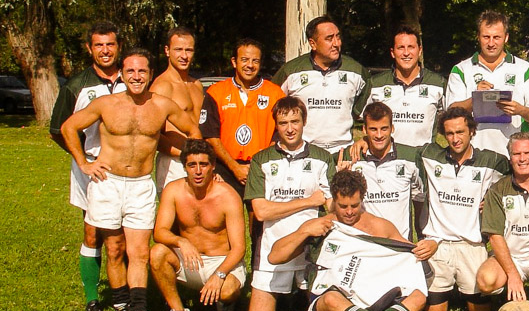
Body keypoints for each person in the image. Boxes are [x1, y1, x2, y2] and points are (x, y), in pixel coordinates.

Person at [60, 48, 200, 311]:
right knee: (113, 248)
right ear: (123, 74)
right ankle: (123, 308)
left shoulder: (163, 105)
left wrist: (194, 164)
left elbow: (193, 130)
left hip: (140, 184)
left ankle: (139, 310)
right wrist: (84, 163)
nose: (136, 77)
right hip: (107, 182)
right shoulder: (105, 104)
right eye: (131, 71)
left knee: (138, 251)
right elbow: (68, 127)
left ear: (150, 74)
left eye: (142, 71)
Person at [268, 170, 426, 311]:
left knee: (418, 296)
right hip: (332, 306)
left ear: (362, 200)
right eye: (343, 206)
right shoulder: (321, 226)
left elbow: (408, 253)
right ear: (334, 200)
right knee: (331, 299)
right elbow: (275, 256)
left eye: (354, 205)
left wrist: (429, 246)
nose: (349, 212)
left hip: (373, 299)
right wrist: (304, 232)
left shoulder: (379, 226)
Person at [49, 22, 126, 311]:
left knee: (125, 234)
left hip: (128, 170)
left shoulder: (133, 77)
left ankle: (128, 296)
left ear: (118, 46)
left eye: (110, 44)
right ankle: (93, 300)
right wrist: (82, 161)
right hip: (92, 168)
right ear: (89, 48)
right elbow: (58, 130)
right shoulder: (77, 84)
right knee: (93, 232)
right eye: (99, 45)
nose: (105, 51)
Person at [244, 96, 335, 311]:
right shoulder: (261, 160)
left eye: (295, 121)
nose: (290, 129)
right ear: (275, 124)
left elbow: (332, 205)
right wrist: (309, 201)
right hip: (272, 247)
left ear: (304, 121)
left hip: (311, 249)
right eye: (283, 123)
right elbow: (262, 211)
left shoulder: (322, 158)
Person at [415, 108, 511, 311]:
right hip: (437, 245)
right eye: (450, 134)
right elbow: (394, 148)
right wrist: (363, 142)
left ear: (472, 131)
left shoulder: (492, 161)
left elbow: (520, 177)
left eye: (460, 132)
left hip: (472, 245)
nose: (455, 139)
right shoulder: (429, 156)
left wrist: (495, 201)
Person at [147, 140, 247, 311]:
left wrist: (219, 274)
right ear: (185, 167)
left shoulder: (228, 196)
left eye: (204, 164)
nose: (198, 171)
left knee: (227, 290)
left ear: (213, 166)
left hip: (222, 261)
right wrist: (181, 241)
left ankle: (225, 305)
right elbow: (159, 232)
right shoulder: (173, 190)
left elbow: (239, 248)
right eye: (192, 165)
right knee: (158, 252)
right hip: (190, 260)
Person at [445, 10, 529, 156]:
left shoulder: (524, 69)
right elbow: (451, 114)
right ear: (478, 37)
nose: (491, 43)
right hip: (473, 156)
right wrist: (476, 99)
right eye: (486, 37)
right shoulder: (461, 70)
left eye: (496, 37)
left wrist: (519, 110)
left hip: (513, 155)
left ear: (506, 37)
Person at [273, 16, 370, 155]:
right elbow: (271, 106)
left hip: (343, 153)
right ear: (313, 43)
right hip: (303, 153)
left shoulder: (357, 71)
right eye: (329, 38)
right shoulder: (291, 71)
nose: (336, 43)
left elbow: (367, 110)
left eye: (338, 37)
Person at [200, 38, 285, 192]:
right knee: (226, 214)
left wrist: (259, 164)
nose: (250, 65)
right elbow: (210, 135)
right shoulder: (216, 92)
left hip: (261, 167)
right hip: (224, 167)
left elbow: (280, 133)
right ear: (234, 62)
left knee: (260, 214)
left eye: (255, 61)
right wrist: (234, 167)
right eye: (244, 60)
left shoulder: (275, 93)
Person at [476, 132, 529, 303]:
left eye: (528, 153)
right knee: (485, 281)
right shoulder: (498, 190)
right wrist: (513, 274)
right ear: (510, 158)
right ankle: (507, 294)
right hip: (512, 256)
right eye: (516, 154)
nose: (522, 159)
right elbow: (495, 236)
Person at [348, 102, 425, 240]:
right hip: (364, 244)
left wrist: (421, 236)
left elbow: (420, 197)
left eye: (384, 129)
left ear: (392, 128)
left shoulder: (411, 157)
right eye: (373, 129)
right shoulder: (352, 157)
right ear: (364, 130)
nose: (379, 135)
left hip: (400, 246)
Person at [359, 25, 447, 147]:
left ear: (420, 50)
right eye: (401, 47)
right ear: (392, 52)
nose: (406, 53)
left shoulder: (438, 83)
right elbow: (359, 117)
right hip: (386, 162)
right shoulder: (375, 84)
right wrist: (364, 139)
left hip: (423, 160)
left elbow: (453, 120)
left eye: (411, 47)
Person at [150, 27, 204, 190]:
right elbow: (153, 134)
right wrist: (181, 154)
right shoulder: (162, 87)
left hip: (199, 161)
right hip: (174, 162)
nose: (184, 55)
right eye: (178, 50)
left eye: (189, 50)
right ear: (167, 51)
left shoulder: (196, 85)